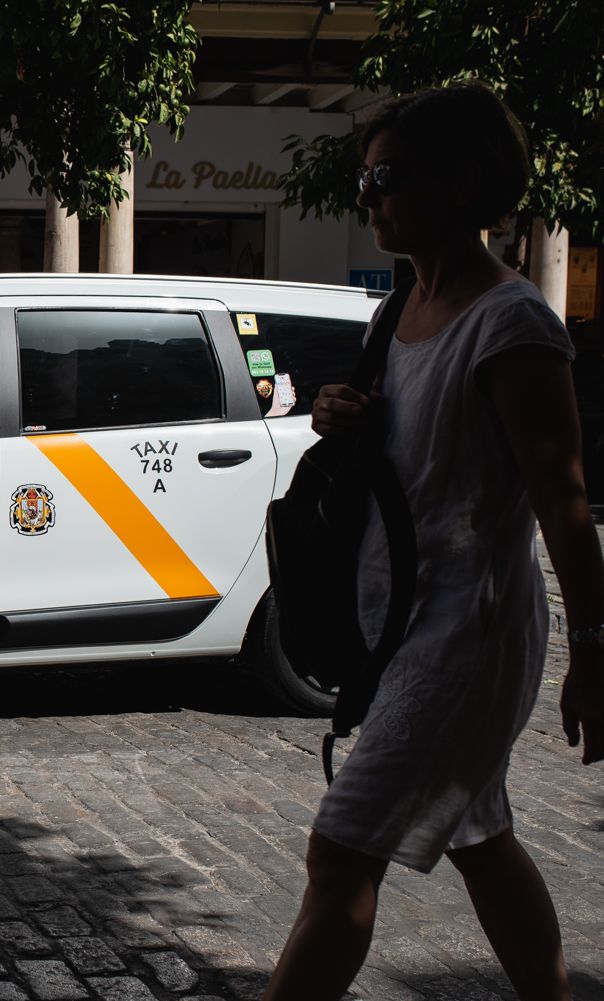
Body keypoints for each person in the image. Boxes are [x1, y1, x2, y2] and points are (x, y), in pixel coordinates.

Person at [265, 84, 604, 1001]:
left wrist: (597, 652)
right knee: (481, 839)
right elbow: (404, 449)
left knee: (340, 853)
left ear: (457, 184)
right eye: (364, 177)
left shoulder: (512, 322)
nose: (368, 195)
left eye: (386, 177)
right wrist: (341, 411)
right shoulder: (399, 308)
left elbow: (563, 498)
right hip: (403, 617)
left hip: (470, 630)